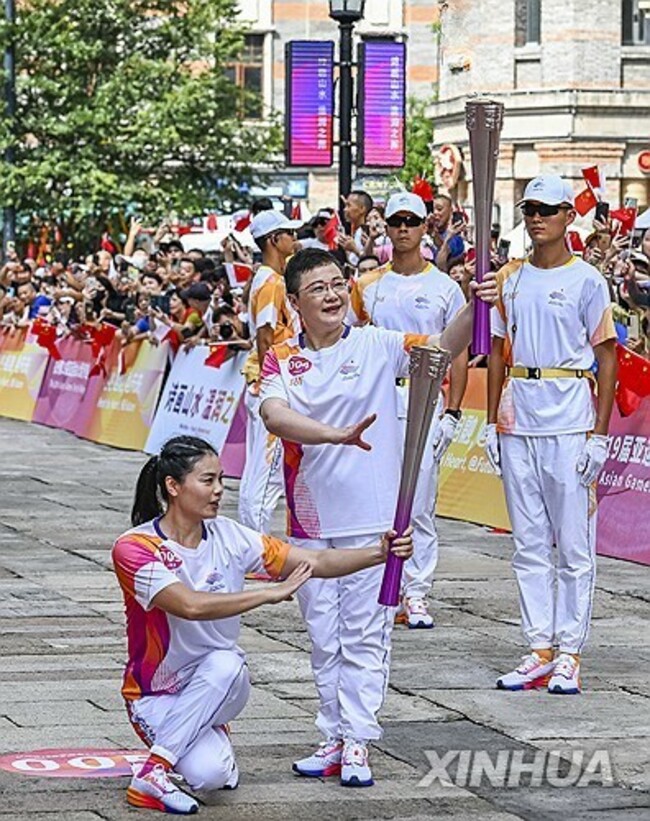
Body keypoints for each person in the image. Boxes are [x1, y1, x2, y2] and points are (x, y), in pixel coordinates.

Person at [259, 248, 497, 786]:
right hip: (311, 524)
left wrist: (474, 307)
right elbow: (275, 415)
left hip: (374, 520)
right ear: (295, 301)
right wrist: (334, 435)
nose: (331, 294)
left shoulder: (377, 344)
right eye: (317, 287)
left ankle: (359, 740)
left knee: (365, 636)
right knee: (323, 636)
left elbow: (440, 348)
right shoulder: (281, 357)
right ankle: (333, 735)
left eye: (338, 283)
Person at [112, 436, 413, 814]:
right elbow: (189, 606)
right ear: (173, 486)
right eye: (207, 481)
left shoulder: (231, 536)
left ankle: (153, 772)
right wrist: (268, 594)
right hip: (155, 696)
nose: (220, 490)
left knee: (224, 663)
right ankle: (199, 736)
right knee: (211, 778)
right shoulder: (135, 548)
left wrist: (378, 553)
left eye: (221, 479)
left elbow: (313, 563)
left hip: (225, 681)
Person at [486, 175, 617, 695]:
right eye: (529, 209)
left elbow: (606, 357)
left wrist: (599, 435)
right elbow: (495, 352)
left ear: (568, 215)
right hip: (520, 417)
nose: (536, 217)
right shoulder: (510, 279)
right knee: (530, 543)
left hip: (569, 419)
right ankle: (539, 645)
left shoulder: (588, 280)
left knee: (574, 546)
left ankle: (569, 652)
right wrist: (495, 424)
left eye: (546, 209)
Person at [348, 192, 468, 629]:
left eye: (411, 221)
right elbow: (354, 342)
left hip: (424, 397)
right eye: (396, 220)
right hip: (379, 400)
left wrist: (452, 413)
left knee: (419, 502)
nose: (402, 228)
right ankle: (383, 585)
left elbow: (456, 355)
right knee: (376, 498)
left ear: (423, 228)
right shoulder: (367, 286)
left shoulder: (445, 289)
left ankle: (416, 592)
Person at [238, 209, 302, 533]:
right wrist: (271, 385)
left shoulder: (269, 279)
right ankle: (257, 548)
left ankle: (253, 544)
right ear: (275, 240)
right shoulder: (270, 282)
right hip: (269, 383)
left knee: (262, 469)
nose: (295, 238)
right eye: (289, 233)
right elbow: (265, 334)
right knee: (267, 469)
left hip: (267, 380)